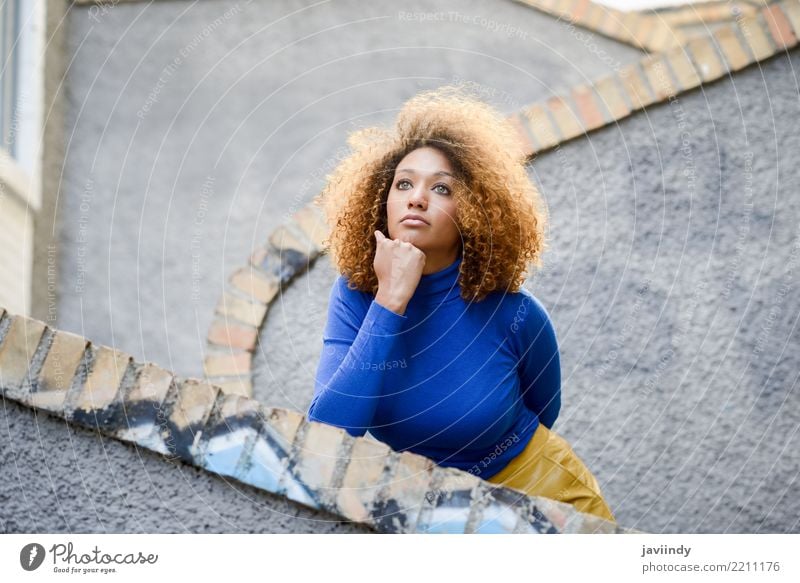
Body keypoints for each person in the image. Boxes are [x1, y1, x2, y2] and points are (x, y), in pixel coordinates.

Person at [306, 85, 615, 523]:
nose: (417, 197)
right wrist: (390, 301)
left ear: (473, 210)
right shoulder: (356, 295)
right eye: (404, 183)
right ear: (382, 200)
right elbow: (330, 434)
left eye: (443, 188)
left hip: (543, 495)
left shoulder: (514, 313)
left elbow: (545, 410)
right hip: (431, 512)